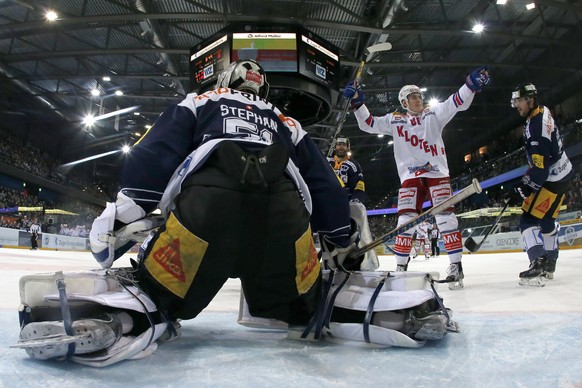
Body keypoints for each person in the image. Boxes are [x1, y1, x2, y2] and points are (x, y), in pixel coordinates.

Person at [15, 60, 457, 365]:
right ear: (260, 90)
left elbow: (156, 154)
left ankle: (122, 315)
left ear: (223, 81)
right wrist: (342, 241)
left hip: (205, 213)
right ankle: (402, 312)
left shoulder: (199, 102)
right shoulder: (287, 122)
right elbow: (323, 183)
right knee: (307, 303)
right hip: (283, 220)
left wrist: (126, 211)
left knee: (160, 294)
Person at [344, 66, 492, 289]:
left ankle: (456, 266)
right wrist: (357, 102)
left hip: (437, 173)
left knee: (445, 219)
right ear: (404, 102)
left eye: (419, 96)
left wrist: (470, 85)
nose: (418, 100)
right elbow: (368, 123)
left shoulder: (434, 113)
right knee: (405, 222)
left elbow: (456, 102)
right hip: (410, 178)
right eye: (413, 97)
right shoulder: (394, 120)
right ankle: (401, 269)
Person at [507, 83, 573, 286]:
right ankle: (550, 263)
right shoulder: (542, 111)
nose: (516, 104)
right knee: (546, 220)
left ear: (530, 100)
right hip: (564, 174)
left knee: (527, 220)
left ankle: (537, 262)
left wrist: (525, 187)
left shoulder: (536, 127)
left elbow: (541, 169)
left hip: (551, 180)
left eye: (519, 100)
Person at [327, 137, 378, 270]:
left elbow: (359, 185)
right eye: (339, 144)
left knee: (349, 236)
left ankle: (353, 262)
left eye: (343, 145)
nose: (341, 147)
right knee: (327, 236)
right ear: (335, 147)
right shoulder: (327, 163)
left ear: (348, 148)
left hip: (345, 206)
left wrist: (356, 201)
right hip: (329, 205)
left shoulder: (353, 165)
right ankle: (329, 263)